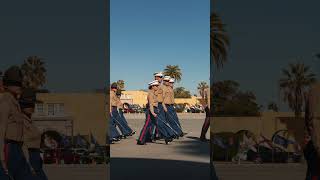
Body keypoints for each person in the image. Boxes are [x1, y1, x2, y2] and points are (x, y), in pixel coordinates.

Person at [0, 66, 34, 180]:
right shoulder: (4, 103)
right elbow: (1, 131)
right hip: (8, 149)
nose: (19, 86)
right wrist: (2, 158)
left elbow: (22, 136)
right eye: (16, 83)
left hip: (18, 149)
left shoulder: (17, 105)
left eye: (20, 83)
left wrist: (27, 159)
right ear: (7, 85)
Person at [20, 88, 48, 180]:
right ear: (22, 105)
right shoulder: (21, 121)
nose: (31, 107)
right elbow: (22, 144)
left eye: (33, 104)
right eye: (28, 105)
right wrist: (29, 164)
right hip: (28, 157)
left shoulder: (30, 121)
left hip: (36, 158)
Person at [137, 80, 172, 145]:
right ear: (152, 86)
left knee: (158, 124)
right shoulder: (150, 94)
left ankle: (166, 137)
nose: (157, 87)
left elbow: (156, 103)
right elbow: (150, 104)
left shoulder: (154, 93)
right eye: (156, 86)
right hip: (151, 111)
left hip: (154, 109)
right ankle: (140, 140)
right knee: (147, 125)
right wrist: (153, 113)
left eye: (157, 85)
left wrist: (157, 109)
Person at [153, 73, 176, 140]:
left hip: (160, 105)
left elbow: (162, 98)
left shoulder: (162, 86)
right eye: (159, 77)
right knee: (156, 122)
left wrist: (163, 106)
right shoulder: (154, 85)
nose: (161, 78)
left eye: (161, 77)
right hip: (155, 105)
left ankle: (167, 134)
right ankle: (166, 134)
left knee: (161, 121)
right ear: (156, 77)